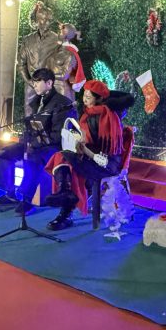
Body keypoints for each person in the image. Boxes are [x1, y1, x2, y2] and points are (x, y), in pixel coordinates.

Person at [45, 80, 132, 231]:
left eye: (88, 97)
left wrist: (84, 149)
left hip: (105, 162)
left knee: (69, 163)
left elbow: (105, 155)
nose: (84, 100)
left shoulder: (110, 117)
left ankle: (66, 211)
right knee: (61, 156)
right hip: (89, 156)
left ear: (99, 98)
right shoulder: (87, 115)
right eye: (84, 96)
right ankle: (64, 192)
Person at [0, 68, 75, 215]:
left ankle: (27, 199)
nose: (34, 85)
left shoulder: (62, 104)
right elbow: (31, 127)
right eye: (34, 82)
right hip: (35, 143)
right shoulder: (36, 102)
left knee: (33, 158)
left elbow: (59, 135)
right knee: (5, 153)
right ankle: (10, 193)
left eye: (38, 82)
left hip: (53, 147)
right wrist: (25, 141)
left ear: (49, 83)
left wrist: (33, 144)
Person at [16, 1, 61, 106]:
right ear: (37, 20)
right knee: (29, 112)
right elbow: (21, 64)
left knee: (50, 112)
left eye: (49, 20)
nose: (47, 22)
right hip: (32, 85)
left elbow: (62, 62)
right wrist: (29, 81)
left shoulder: (57, 40)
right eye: (43, 19)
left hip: (50, 86)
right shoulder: (27, 40)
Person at [47, 22, 86, 101]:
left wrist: (47, 76)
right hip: (53, 88)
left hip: (63, 91)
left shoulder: (70, 53)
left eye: (61, 32)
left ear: (66, 34)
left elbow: (65, 75)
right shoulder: (58, 49)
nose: (58, 33)